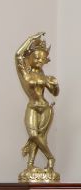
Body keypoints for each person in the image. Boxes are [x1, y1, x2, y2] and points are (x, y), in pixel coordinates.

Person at [14, 32, 59, 178]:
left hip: (45, 108)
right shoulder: (25, 73)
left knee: (40, 137)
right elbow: (18, 55)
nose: (40, 60)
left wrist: (54, 85)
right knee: (34, 135)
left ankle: (30, 164)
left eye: (42, 58)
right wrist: (30, 39)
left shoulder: (44, 75)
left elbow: (55, 93)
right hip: (32, 106)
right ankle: (50, 157)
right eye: (36, 57)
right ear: (29, 57)